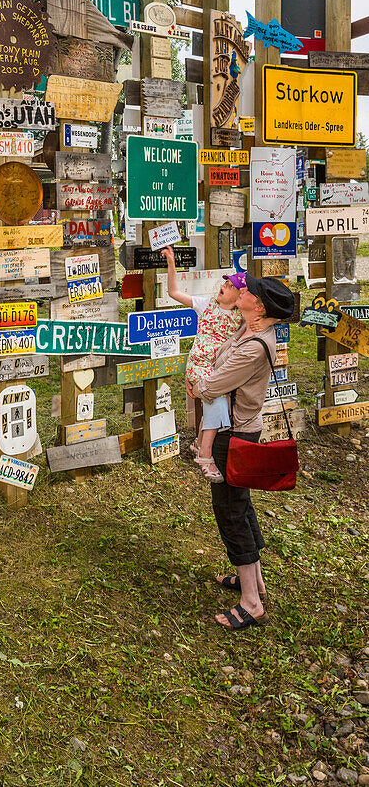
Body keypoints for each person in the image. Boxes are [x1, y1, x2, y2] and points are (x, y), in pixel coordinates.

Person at [187, 274, 295, 633]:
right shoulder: (247, 330)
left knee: (230, 512)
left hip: (233, 434)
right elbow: (219, 357)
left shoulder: (253, 345)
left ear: (260, 308)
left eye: (249, 292)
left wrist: (200, 385)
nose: (242, 291)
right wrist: (211, 376)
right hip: (237, 428)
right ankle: (255, 582)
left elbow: (216, 381)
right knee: (241, 504)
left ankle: (251, 602)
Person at [162, 247, 243, 482]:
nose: (224, 286)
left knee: (217, 402)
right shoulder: (205, 305)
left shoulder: (240, 318)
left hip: (218, 367)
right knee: (216, 400)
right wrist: (171, 262)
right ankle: (205, 456)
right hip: (199, 365)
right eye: (225, 283)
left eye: (231, 286)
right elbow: (174, 292)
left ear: (239, 297)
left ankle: (199, 444)